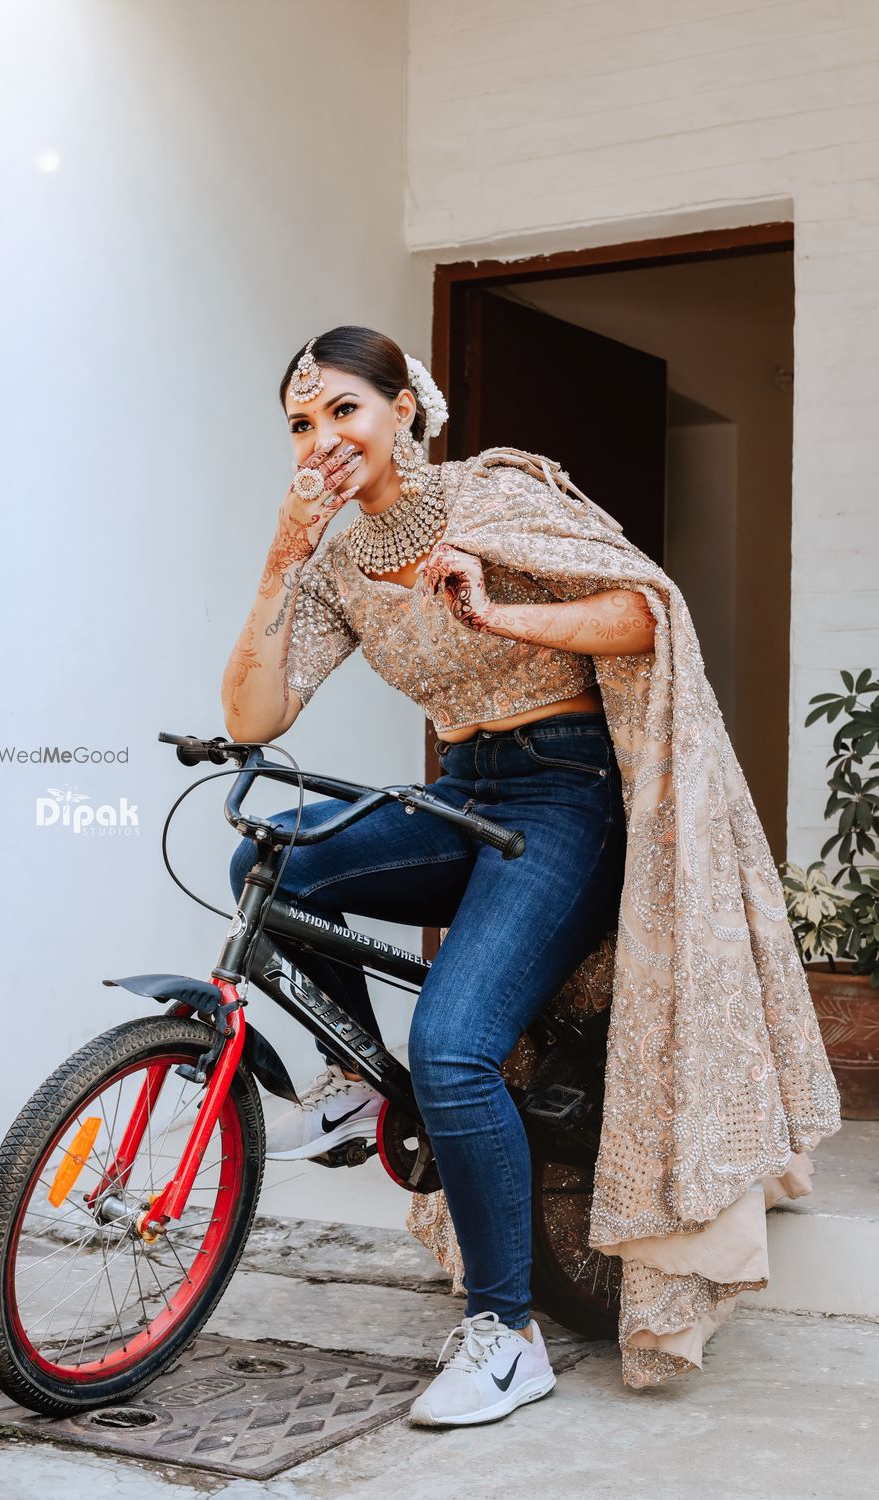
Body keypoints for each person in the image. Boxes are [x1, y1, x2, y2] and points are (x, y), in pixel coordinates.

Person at [221, 325, 656, 1428]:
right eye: (301, 425)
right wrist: (280, 558)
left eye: (344, 412)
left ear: (404, 406)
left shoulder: (492, 493)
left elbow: (641, 609)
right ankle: (358, 1078)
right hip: (463, 789)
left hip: (564, 793)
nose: (323, 440)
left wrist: (499, 609)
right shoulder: (332, 563)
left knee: (454, 1046)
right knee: (268, 857)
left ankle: (506, 1339)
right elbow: (253, 718)